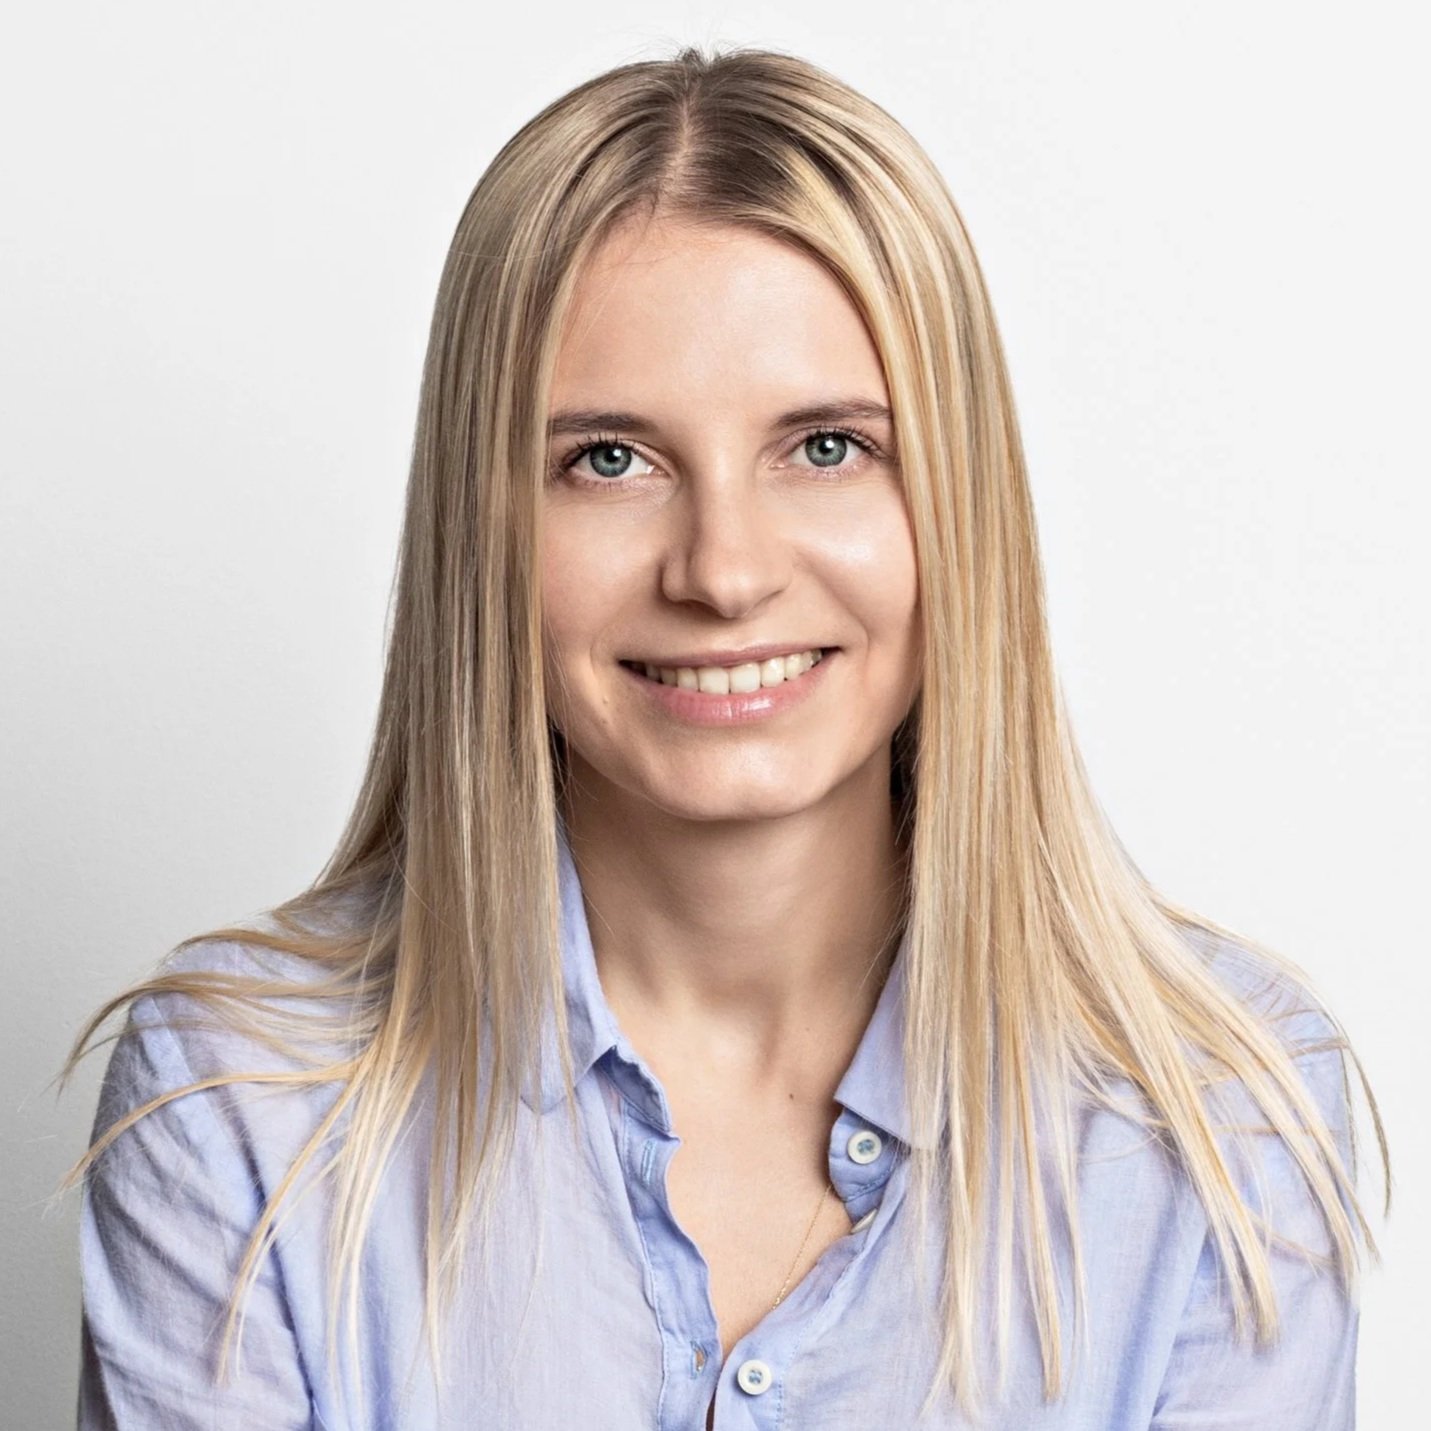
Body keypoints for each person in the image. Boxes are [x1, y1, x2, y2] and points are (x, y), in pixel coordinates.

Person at [57, 43, 1387, 1430]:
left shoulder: (1216, 1122)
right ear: (484, 527)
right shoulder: (243, 1109)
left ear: (963, 500)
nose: (725, 572)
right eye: (609, 460)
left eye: (828, 447)